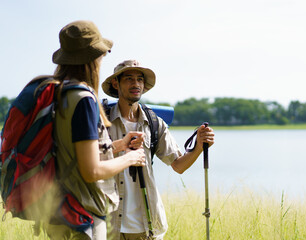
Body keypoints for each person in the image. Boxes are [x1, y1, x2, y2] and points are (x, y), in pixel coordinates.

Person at [40, 21, 146, 240]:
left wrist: (119, 145)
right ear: (92, 57)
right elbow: (91, 171)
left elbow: (73, 151)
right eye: (101, 54)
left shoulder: (56, 93)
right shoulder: (84, 99)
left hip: (55, 211)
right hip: (82, 215)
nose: (102, 59)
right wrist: (131, 158)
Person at [101, 60, 215, 240]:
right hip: (106, 226)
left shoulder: (155, 123)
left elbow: (178, 166)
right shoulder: (101, 121)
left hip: (147, 225)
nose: (136, 83)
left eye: (139, 79)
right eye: (129, 78)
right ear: (116, 83)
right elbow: (88, 161)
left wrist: (199, 146)